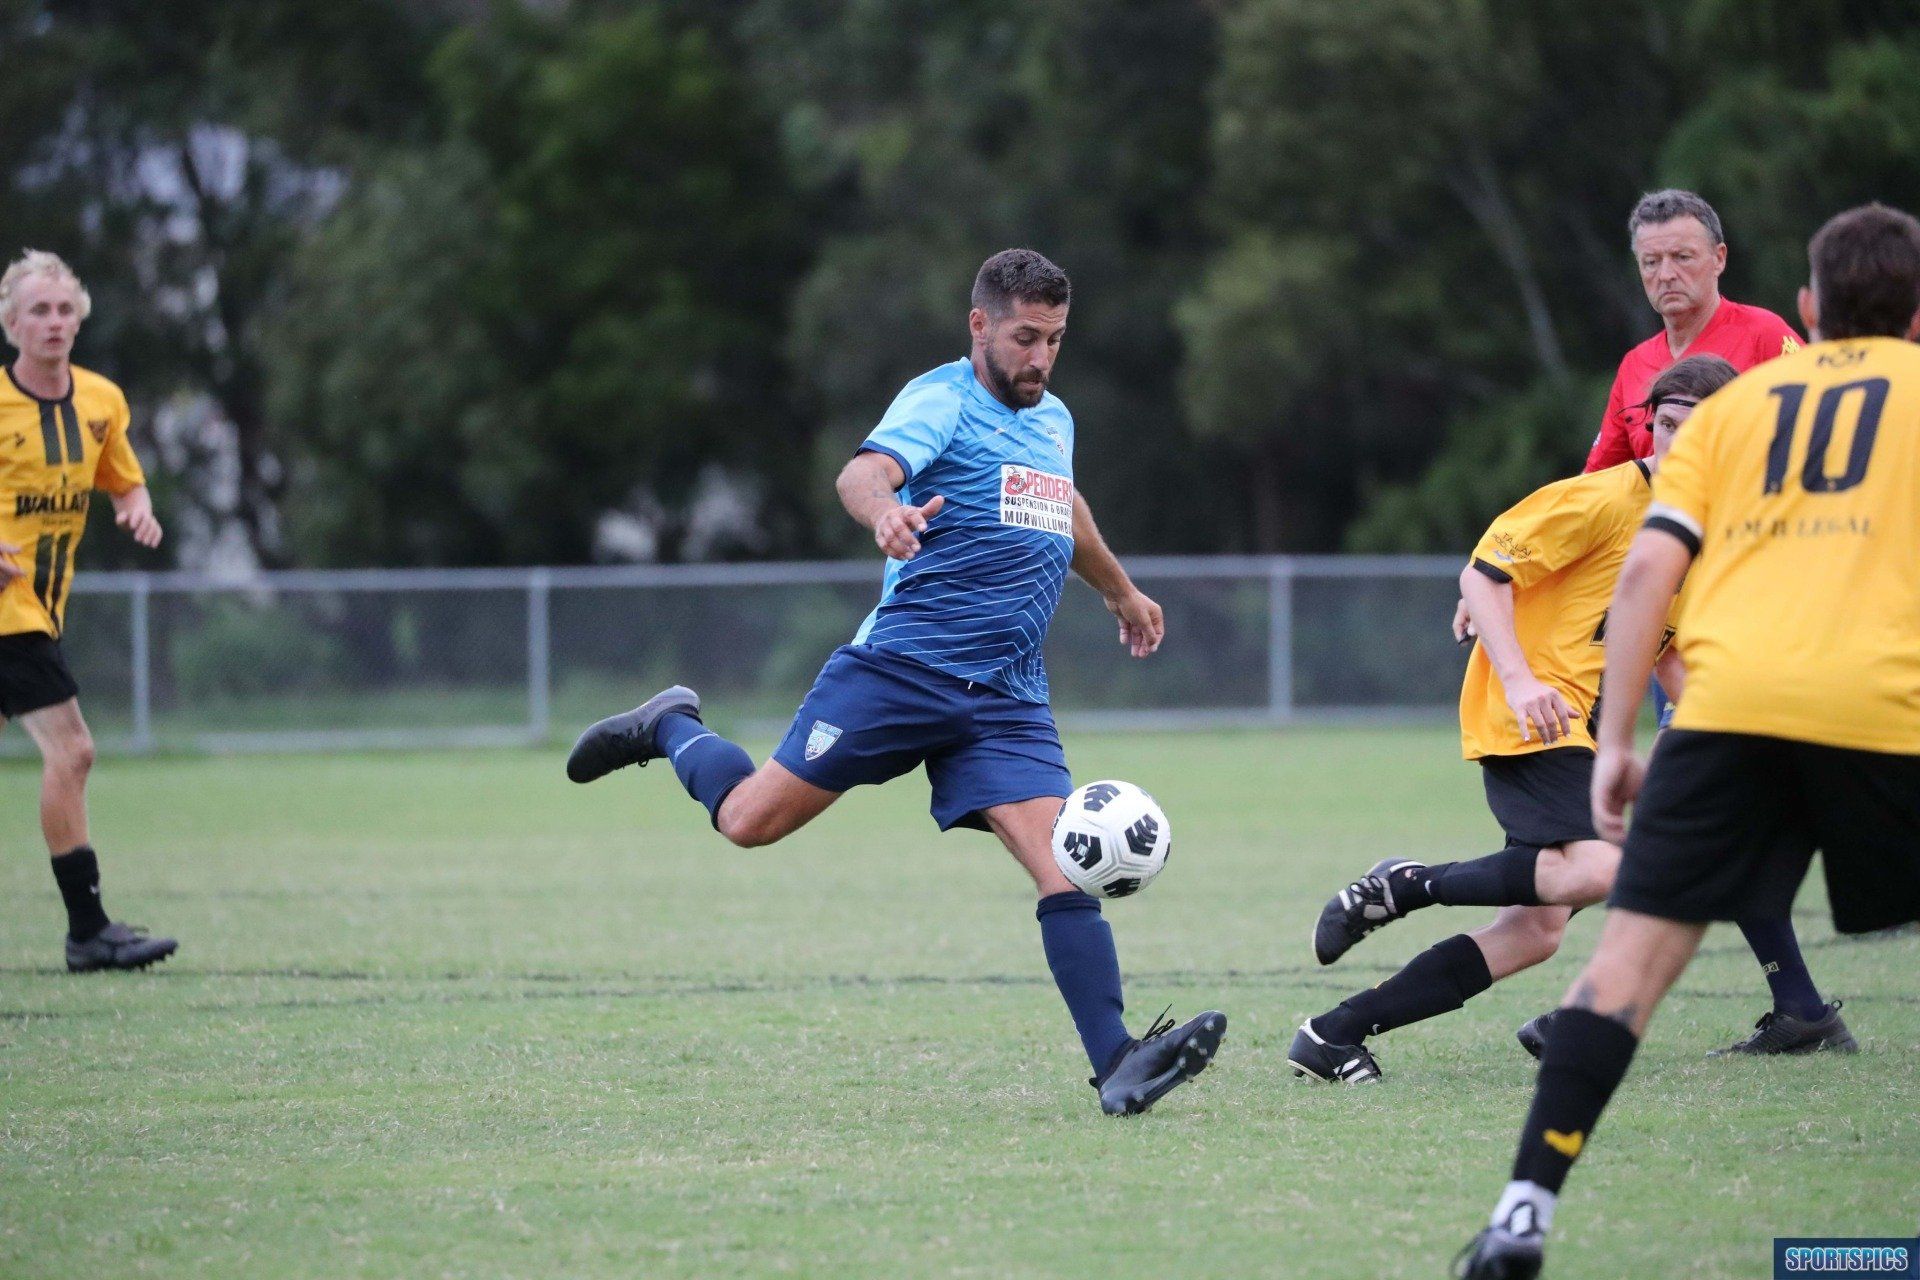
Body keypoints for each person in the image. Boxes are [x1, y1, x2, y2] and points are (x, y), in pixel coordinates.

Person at [565, 248, 1226, 1116]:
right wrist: (886, 512)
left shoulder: (1053, 418)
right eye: (1026, 337)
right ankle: (669, 727)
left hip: (1006, 696)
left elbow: (1062, 507)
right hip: (902, 673)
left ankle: (1120, 1064)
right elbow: (862, 472)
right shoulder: (941, 399)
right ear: (980, 324)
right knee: (747, 821)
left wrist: (1121, 590)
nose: (1039, 358)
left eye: (1056, 340)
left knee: (1063, 867)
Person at [1457, 203, 1920, 1279]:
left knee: (1624, 967)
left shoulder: (1725, 416)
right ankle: (1865, 1250)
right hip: (1883, 703)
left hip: (1728, 700)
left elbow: (1648, 572)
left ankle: (1523, 1207)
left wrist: (1615, 735)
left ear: (1806, 309)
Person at [1456, 189, 1851, 1056]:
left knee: (1694, 820)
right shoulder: (1639, 365)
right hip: (1679, 627)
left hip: (1755, 612)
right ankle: (1800, 1011)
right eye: (1650, 263)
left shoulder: (1768, 343)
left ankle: (1605, 1007)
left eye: (1681, 256)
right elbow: (1601, 473)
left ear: (1720, 257)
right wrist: (1503, 573)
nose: (1666, 275)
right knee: (1701, 819)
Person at [1287, 356, 1728, 1086]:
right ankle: (1407, 886)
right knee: (1602, 865)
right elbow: (1482, 576)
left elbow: (1667, 652)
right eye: (1668, 426)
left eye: (1699, 429)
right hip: (1531, 709)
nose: (1678, 443)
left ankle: (1331, 1035)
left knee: (1534, 932)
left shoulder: (1703, 534)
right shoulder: (1602, 500)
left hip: (1580, 724)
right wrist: (1521, 682)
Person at [0, 250, 174, 972]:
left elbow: (124, 482)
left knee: (67, 757)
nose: (54, 322)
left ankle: (87, 931)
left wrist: (137, 510)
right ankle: (89, 929)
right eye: (39, 310)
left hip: (42, 605)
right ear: (10, 322)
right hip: (9, 612)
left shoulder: (101, 401)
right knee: (72, 751)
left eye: (65, 309)